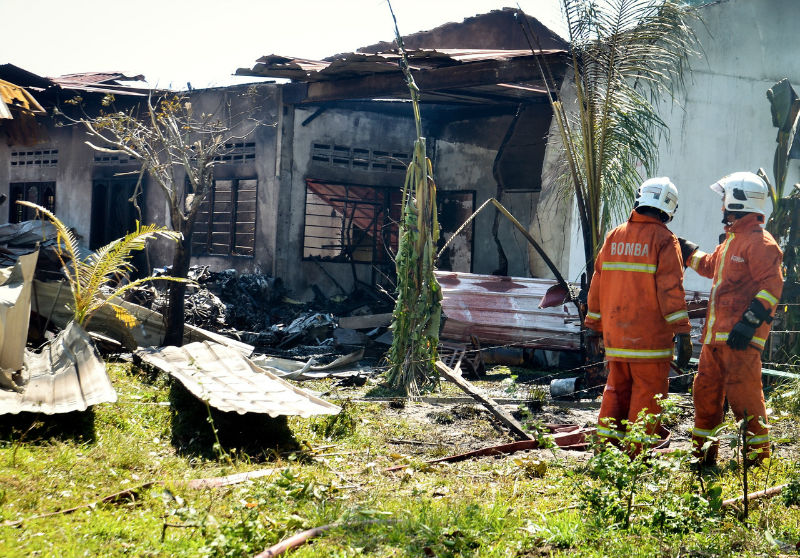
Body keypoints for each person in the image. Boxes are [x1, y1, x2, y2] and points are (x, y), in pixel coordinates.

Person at [678, 171, 783, 466]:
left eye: (725, 200)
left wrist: (748, 323)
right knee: (705, 398)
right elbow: (711, 265)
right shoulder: (732, 242)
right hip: (715, 342)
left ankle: (757, 463)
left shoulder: (761, 243)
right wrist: (689, 252)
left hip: (740, 341)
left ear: (738, 200)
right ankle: (703, 459)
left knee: (746, 401)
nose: (722, 207)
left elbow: (771, 288)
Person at [584, 177, 693, 449]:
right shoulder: (665, 241)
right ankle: (636, 456)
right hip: (650, 343)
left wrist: (593, 326)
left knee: (615, 391)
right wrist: (682, 332)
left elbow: (597, 284)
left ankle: (606, 451)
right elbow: (671, 291)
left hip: (616, 339)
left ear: (640, 198)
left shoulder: (614, 236)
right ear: (669, 208)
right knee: (648, 395)